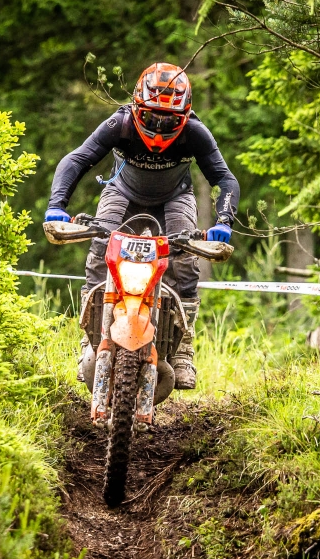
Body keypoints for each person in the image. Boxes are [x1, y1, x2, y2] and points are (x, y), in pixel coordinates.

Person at [45, 62, 240, 389]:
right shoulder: (119, 124)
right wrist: (56, 207)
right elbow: (77, 159)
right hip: (121, 193)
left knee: (185, 263)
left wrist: (224, 221)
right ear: (137, 108)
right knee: (100, 253)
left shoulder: (195, 132)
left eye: (170, 120)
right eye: (151, 118)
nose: (160, 128)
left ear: (185, 116)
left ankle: (183, 349)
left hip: (174, 198)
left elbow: (225, 178)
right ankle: (89, 341)